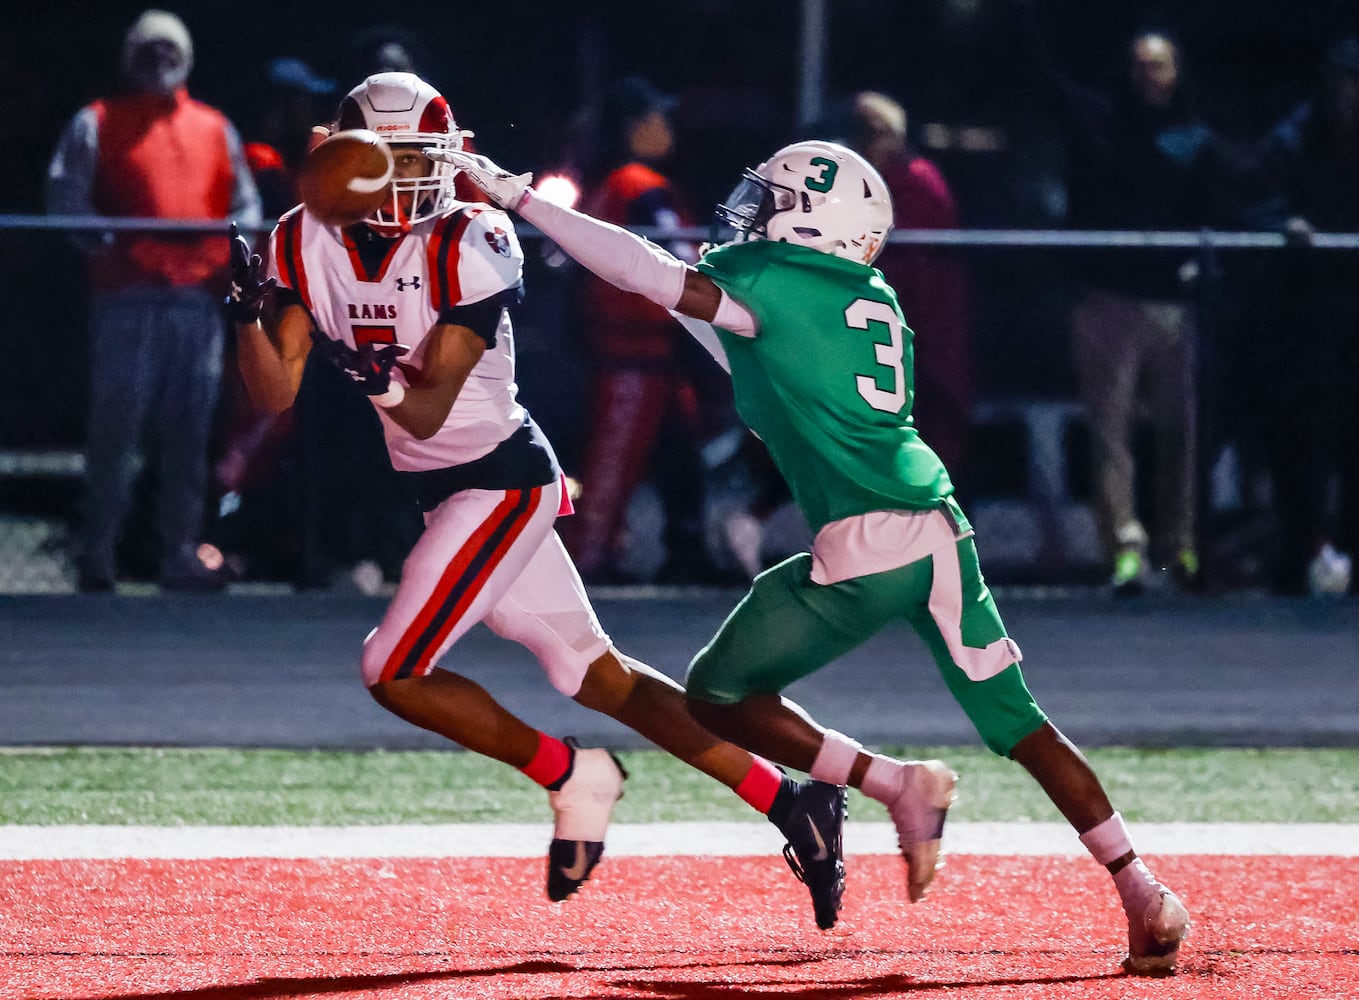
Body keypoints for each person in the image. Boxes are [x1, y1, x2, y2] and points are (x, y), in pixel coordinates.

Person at [438, 138, 1192, 975]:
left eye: (772, 201)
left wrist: (524, 201)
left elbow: (648, 276)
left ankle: (890, 782)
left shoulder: (776, 283)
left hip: (861, 545)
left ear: (811, 221)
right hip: (939, 529)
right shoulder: (872, 297)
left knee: (717, 695)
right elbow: (727, 335)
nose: (751, 213)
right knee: (1020, 724)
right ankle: (1142, 891)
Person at [227, 71, 848, 926]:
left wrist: (370, 380)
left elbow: (430, 404)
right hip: (443, 490)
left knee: (392, 668)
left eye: (417, 158)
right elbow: (273, 396)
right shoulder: (303, 237)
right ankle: (789, 801)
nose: (404, 177)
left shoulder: (468, 236)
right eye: (384, 158)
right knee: (597, 676)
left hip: (496, 482)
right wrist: (246, 318)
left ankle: (568, 771)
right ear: (344, 158)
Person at [1015, 8, 1258, 594]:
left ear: (1177, 73)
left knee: (1182, 432)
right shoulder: (1100, 123)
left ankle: (1181, 549)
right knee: (1110, 433)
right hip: (1106, 302)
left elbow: (1238, 201)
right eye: (1140, 67)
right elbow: (1046, 80)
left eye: (1160, 67)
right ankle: (1125, 549)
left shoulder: (1197, 140)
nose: (1150, 76)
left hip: (1174, 308)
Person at [45, 8, 263, 592]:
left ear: (186, 59)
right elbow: (67, 197)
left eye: (169, 52)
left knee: (188, 433)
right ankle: (98, 554)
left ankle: (178, 553)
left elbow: (244, 207)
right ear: (129, 59)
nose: (159, 62)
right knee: (115, 429)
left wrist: (221, 257)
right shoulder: (96, 122)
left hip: (195, 303)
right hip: (126, 300)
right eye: (148, 52)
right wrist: (114, 244)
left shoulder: (216, 128)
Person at [563, 76, 726, 584]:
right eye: (659, 117)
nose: (668, 127)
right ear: (636, 126)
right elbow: (680, 257)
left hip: (648, 346)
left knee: (679, 453)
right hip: (633, 347)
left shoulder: (614, 184)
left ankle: (685, 551)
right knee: (615, 455)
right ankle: (588, 558)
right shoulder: (637, 185)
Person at [1244, 37, 1359, 596]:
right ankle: (1297, 556)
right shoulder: (1292, 140)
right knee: (1304, 443)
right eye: (1344, 81)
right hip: (1305, 319)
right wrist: (1287, 225)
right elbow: (1256, 201)